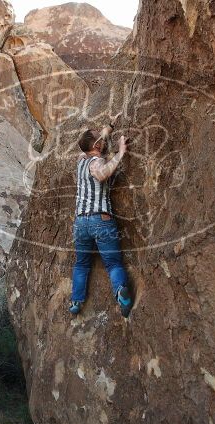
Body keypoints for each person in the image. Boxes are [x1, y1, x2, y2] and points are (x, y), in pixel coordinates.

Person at [69, 115, 133, 317]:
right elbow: (101, 174)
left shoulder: (80, 160)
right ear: (96, 145)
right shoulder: (96, 161)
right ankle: (122, 295)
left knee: (81, 264)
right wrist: (120, 153)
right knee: (113, 263)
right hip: (101, 220)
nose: (103, 140)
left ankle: (76, 302)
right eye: (101, 139)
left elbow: (98, 139)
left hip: (81, 223)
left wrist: (110, 127)